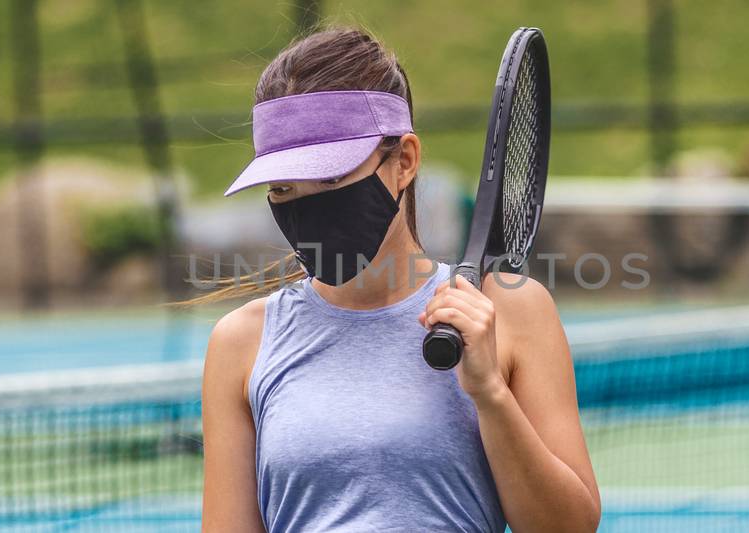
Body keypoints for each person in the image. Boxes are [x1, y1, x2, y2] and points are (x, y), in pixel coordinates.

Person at [196, 27, 599, 532]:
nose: (306, 206)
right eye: (281, 188)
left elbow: (570, 527)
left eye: (330, 180)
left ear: (404, 161)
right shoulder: (241, 342)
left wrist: (489, 393)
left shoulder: (512, 311)